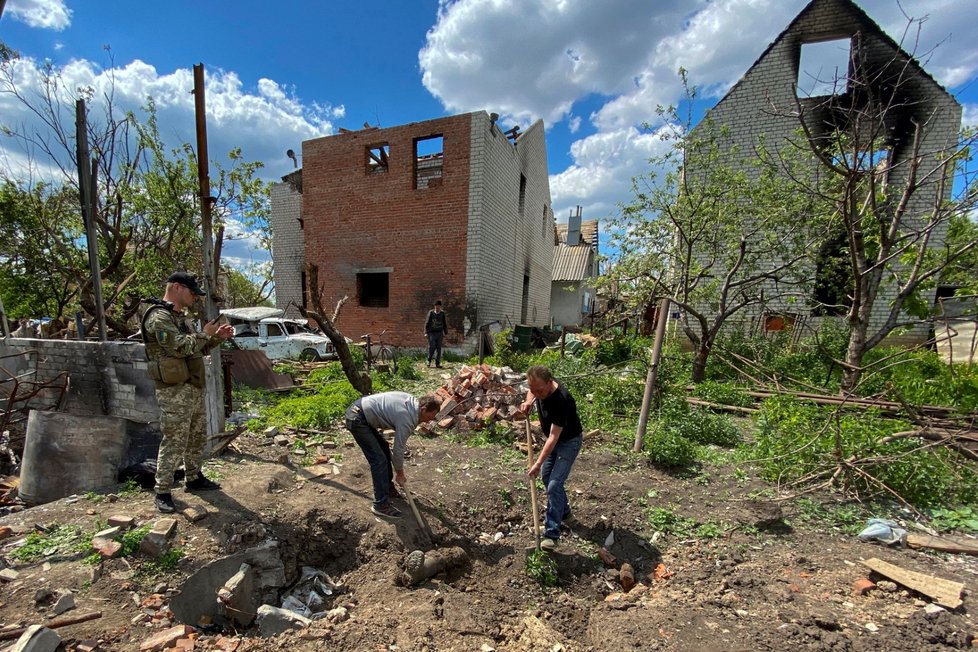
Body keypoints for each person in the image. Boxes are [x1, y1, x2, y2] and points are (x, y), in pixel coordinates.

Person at [141, 272, 234, 513]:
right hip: (173, 391)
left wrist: (216, 339)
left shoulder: (178, 317)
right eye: (192, 293)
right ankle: (162, 489)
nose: (195, 297)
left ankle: (194, 477)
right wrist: (206, 334)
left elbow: (196, 350)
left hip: (191, 386)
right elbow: (180, 347)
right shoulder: (159, 318)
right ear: (176, 288)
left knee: (196, 436)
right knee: (174, 439)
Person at [344, 392, 441, 518]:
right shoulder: (407, 419)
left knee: (383, 449)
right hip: (358, 418)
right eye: (430, 416)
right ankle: (380, 505)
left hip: (362, 413)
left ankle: (388, 488)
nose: (430, 420)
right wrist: (400, 473)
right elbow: (398, 449)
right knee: (379, 461)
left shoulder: (412, 403)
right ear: (423, 409)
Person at [518, 365, 583, 550]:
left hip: (568, 442)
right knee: (547, 479)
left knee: (554, 484)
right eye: (533, 390)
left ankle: (552, 534)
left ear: (549, 382)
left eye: (540, 390)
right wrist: (528, 401)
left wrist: (538, 463)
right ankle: (565, 512)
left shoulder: (562, 399)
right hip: (553, 441)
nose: (537, 393)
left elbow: (554, 437)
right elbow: (532, 392)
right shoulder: (537, 390)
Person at [423, 300, 448, 368]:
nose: (437, 308)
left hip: (439, 333)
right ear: (434, 307)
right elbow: (427, 323)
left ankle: (437, 363)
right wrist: (425, 332)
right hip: (432, 333)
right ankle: (429, 360)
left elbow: (444, 323)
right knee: (432, 346)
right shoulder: (431, 313)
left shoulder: (442, 314)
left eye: (438, 307)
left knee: (438, 348)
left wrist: (445, 332)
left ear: (440, 307)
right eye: (436, 307)